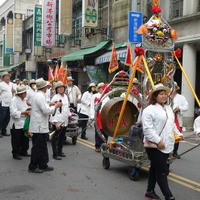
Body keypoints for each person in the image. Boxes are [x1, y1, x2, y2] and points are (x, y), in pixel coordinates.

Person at [142, 83, 183, 200]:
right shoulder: (148, 110)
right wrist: (158, 140)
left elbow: (172, 124)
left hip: (167, 144)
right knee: (162, 171)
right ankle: (168, 196)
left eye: (165, 94)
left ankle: (149, 191)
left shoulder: (168, 108)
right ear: (155, 96)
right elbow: (147, 129)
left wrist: (179, 134)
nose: (164, 96)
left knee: (154, 168)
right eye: (161, 94)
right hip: (153, 146)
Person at [28, 78, 62, 173]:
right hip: (38, 125)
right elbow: (46, 110)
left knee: (42, 146)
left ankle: (43, 164)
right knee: (37, 147)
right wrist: (55, 106)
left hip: (41, 125)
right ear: (44, 87)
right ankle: (33, 166)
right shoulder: (39, 96)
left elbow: (45, 105)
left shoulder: (40, 95)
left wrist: (51, 104)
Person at [50, 81, 70, 160]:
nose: (61, 89)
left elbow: (66, 108)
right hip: (57, 121)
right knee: (55, 138)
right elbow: (53, 111)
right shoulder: (55, 97)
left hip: (64, 120)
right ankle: (55, 154)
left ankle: (60, 151)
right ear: (57, 89)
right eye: (60, 87)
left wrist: (69, 115)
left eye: (62, 87)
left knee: (62, 137)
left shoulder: (65, 96)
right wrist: (55, 122)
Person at [10, 85, 31, 160]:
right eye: (22, 93)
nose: (24, 94)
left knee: (25, 138)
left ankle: (24, 151)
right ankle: (16, 153)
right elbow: (13, 113)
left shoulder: (24, 99)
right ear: (19, 94)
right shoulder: (14, 100)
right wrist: (24, 112)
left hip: (24, 122)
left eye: (25, 93)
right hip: (16, 123)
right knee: (16, 140)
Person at [90, 83, 110, 152]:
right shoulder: (95, 96)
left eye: (104, 88)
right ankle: (97, 145)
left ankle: (105, 144)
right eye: (101, 88)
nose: (103, 89)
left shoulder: (107, 97)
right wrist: (92, 116)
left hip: (105, 116)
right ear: (99, 89)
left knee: (106, 131)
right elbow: (92, 106)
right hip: (97, 116)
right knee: (98, 131)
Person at [171, 82, 188, 159]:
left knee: (177, 136)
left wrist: (179, 108)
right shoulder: (166, 96)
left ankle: (175, 152)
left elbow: (186, 106)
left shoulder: (181, 97)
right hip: (168, 118)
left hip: (177, 118)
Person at [0, 72, 16, 137]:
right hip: (3, 103)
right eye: (6, 77)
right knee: (2, 118)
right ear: (3, 78)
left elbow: (16, 92)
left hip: (10, 103)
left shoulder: (12, 84)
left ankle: (4, 130)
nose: (7, 78)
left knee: (7, 118)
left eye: (8, 76)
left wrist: (14, 91)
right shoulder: (1, 84)